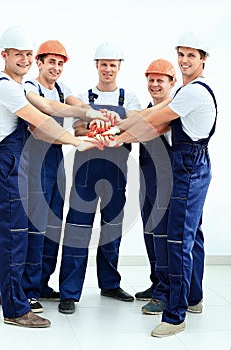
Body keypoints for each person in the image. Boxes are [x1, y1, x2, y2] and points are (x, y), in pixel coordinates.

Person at [0, 26, 110, 328]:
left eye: (26, 54)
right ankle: (15, 308)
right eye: (18, 54)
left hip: (10, 163)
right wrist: (78, 141)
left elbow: (50, 106)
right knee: (14, 235)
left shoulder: (17, 87)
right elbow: (42, 122)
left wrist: (90, 114)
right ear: (4, 55)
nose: (23, 59)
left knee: (3, 230)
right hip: (8, 165)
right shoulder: (7, 88)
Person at [115, 32, 217, 337]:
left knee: (178, 240)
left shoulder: (193, 93)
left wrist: (113, 135)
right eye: (181, 54)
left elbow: (153, 121)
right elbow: (151, 115)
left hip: (188, 169)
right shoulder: (186, 92)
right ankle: (193, 298)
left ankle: (175, 316)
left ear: (203, 60)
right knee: (192, 235)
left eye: (191, 55)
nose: (185, 60)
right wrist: (118, 126)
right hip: (192, 165)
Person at [58, 41, 141, 314]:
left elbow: (136, 122)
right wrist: (95, 124)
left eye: (112, 65)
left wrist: (114, 126)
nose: (108, 69)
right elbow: (79, 126)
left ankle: (110, 284)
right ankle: (69, 293)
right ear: (96, 66)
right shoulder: (84, 95)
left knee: (112, 230)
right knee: (77, 230)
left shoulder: (128, 99)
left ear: (119, 68)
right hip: (86, 172)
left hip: (117, 173)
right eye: (103, 64)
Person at [21, 40, 93, 313]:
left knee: (53, 225)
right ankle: (27, 290)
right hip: (36, 159)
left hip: (57, 159)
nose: (56, 67)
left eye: (61, 63)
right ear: (38, 62)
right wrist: (85, 113)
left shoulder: (63, 89)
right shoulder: (30, 88)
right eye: (51, 61)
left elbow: (76, 105)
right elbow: (52, 110)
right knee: (36, 225)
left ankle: (41, 283)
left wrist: (95, 116)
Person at [135, 59, 176, 315]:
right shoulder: (147, 109)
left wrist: (115, 133)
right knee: (150, 235)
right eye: (151, 80)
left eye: (160, 80)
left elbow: (146, 131)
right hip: (146, 183)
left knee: (162, 237)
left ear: (171, 83)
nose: (154, 85)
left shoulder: (172, 110)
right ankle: (156, 283)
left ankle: (164, 293)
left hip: (165, 184)